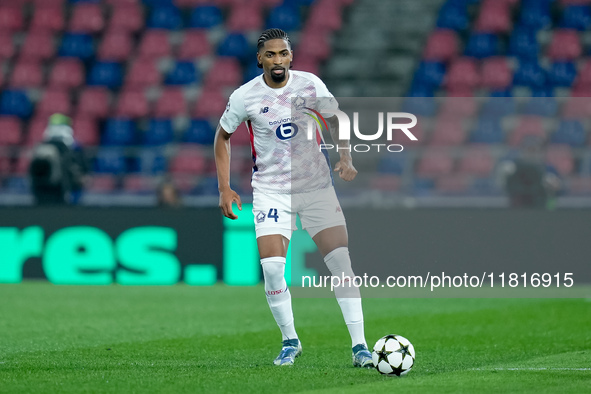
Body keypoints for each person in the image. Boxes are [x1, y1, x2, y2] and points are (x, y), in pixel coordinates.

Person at [214, 29, 372, 368]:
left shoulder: (310, 84)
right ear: (260, 59)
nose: (277, 60)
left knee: (341, 264)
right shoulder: (245, 96)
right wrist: (224, 187)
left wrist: (345, 157)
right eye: (270, 54)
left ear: (291, 56)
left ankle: (360, 347)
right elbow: (222, 136)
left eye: (282, 53)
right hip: (271, 191)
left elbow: (335, 119)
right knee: (272, 270)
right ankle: (290, 341)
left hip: (316, 188)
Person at [29, 113, 88, 205]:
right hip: (43, 192)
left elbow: (82, 173)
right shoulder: (41, 148)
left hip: (66, 193)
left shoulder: (74, 148)